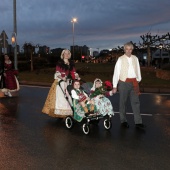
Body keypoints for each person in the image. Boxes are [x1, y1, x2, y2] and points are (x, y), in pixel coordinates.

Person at [112, 42, 145, 129]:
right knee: (123, 102)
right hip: (123, 83)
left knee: (136, 103)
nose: (128, 51)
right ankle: (123, 121)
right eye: (127, 49)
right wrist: (114, 85)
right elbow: (116, 72)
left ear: (132, 50)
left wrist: (138, 79)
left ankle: (138, 122)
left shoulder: (135, 58)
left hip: (134, 82)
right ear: (124, 50)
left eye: (130, 49)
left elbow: (138, 69)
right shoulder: (120, 59)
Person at [42, 49, 80, 118]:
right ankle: (61, 113)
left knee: (69, 96)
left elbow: (74, 72)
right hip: (61, 82)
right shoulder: (60, 63)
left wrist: (77, 77)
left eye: (68, 53)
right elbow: (57, 72)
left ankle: (69, 112)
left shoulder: (71, 63)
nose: (67, 55)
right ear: (62, 55)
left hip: (69, 82)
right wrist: (62, 78)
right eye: (65, 53)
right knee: (61, 96)